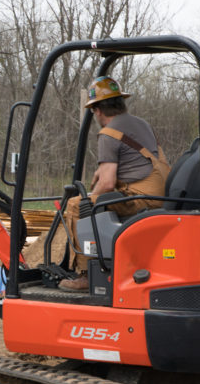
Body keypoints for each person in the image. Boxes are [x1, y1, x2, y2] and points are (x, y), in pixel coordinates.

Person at [60, 76, 170, 292]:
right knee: (92, 201)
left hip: (140, 197)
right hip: (163, 194)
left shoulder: (108, 134)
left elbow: (108, 183)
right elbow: (135, 161)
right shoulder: (141, 124)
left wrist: (88, 197)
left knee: (76, 205)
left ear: (98, 110)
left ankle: (84, 274)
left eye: (94, 111)